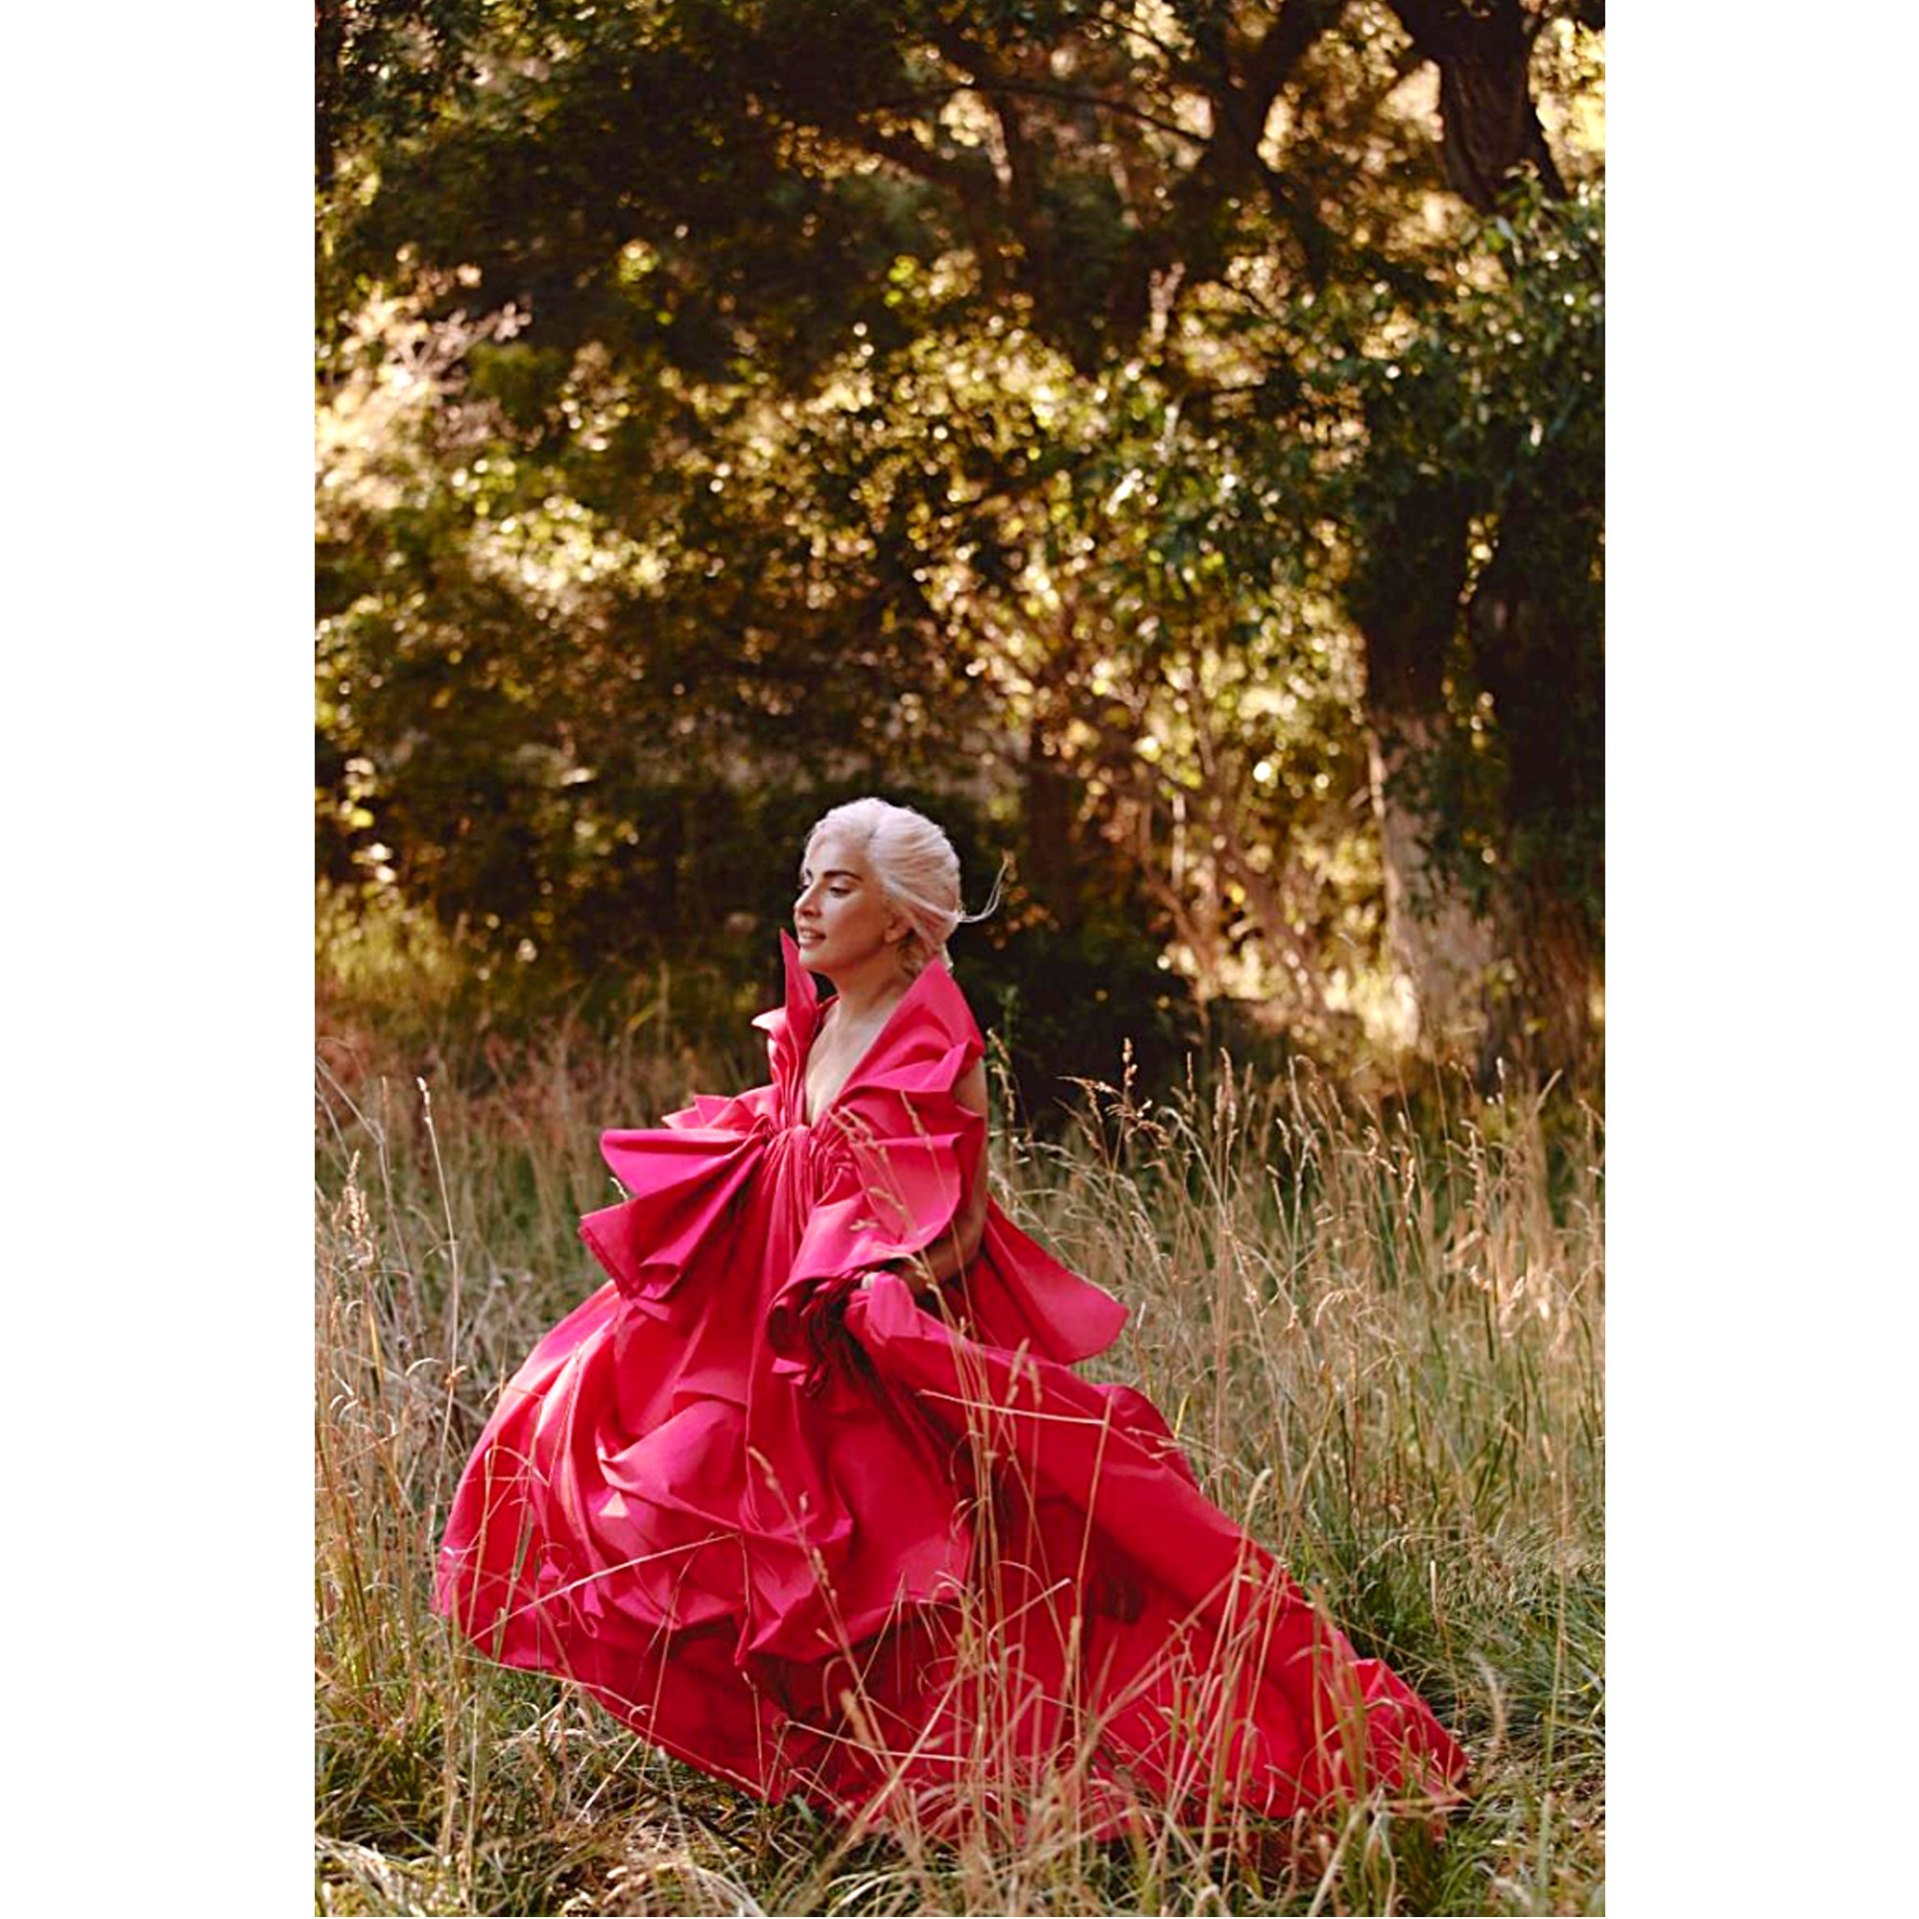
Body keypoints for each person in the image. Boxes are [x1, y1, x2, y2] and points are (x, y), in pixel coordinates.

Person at [436, 797, 1465, 1839]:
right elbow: (790, 1148)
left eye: (838, 885)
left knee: (902, 1561)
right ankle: (808, 1750)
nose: (807, 902)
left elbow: (964, 1216)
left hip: (859, 1332)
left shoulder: (935, 1033)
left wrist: (886, 1289)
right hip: (764, 1321)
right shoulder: (814, 1020)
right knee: (624, 1442)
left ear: (897, 918)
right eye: (807, 879)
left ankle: (974, 1763)